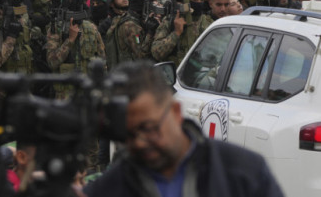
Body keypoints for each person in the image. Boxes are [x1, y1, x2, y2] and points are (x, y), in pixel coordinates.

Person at [86, 61, 284, 197]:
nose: (138, 142)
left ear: (175, 111)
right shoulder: (108, 188)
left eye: (148, 128)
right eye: (127, 135)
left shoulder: (243, 172)